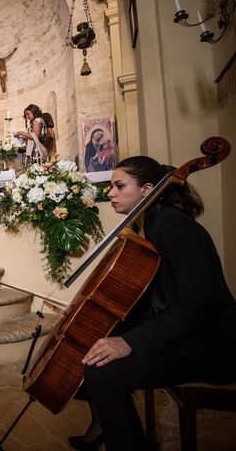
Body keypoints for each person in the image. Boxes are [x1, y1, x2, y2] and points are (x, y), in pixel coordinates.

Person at [68, 156, 236, 451]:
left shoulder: (174, 227)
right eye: (111, 186)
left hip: (208, 345)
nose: (111, 193)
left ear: (147, 189)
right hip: (182, 335)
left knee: (103, 372)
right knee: (91, 345)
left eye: (119, 186)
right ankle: (102, 425)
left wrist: (130, 342)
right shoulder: (147, 225)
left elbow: (196, 303)